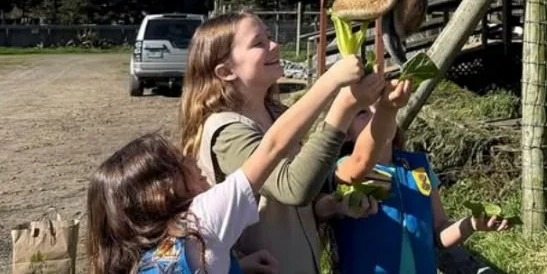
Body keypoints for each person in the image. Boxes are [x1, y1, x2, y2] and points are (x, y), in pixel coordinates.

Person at [85, 50, 376, 274]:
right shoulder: (203, 218)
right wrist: (335, 91)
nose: (192, 158)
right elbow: (272, 147)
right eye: (179, 161)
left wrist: (240, 266)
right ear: (163, 189)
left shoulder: (155, 251)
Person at [179, 10, 381, 273]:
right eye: (258, 43)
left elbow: (290, 207)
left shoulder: (279, 115)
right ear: (226, 71)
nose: (275, 45)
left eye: (270, 37)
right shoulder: (225, 133)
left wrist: (331, 206)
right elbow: (293, 188)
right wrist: (340, 101)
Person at [329, 78, 515, 273]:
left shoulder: (418, 167)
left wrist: (471, 224)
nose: (378, 115)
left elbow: (440, 233)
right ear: (346, 132)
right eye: (362, 113)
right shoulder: (346, 171)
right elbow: (360, 163)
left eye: (381, 106)